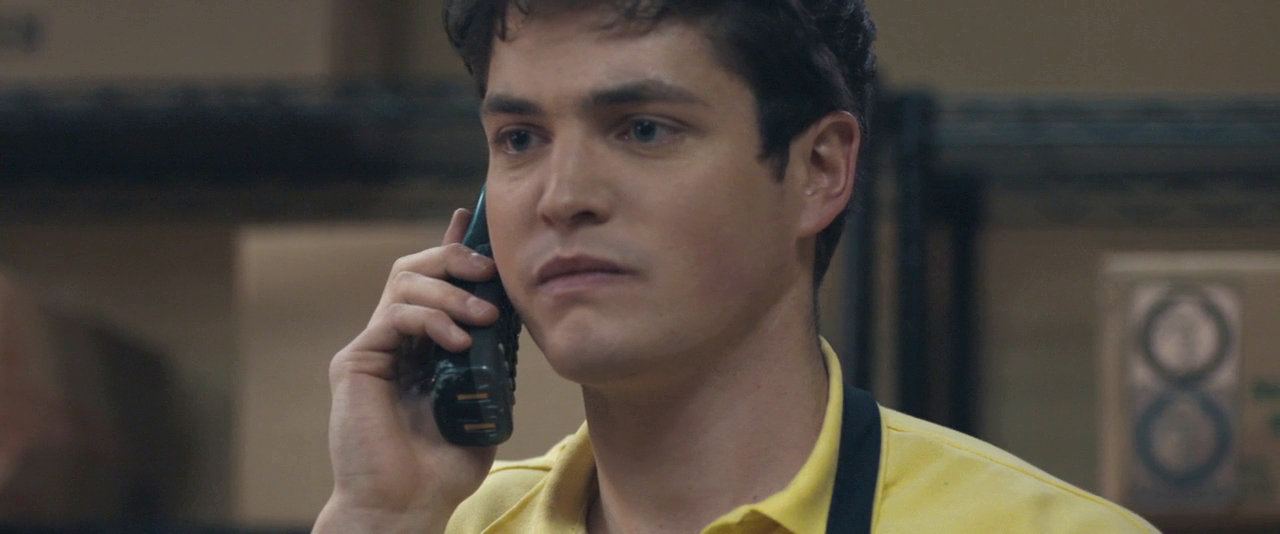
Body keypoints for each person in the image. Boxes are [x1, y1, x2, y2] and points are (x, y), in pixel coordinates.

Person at [315, 1, 1158, 532]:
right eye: (521, 140)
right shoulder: (444, 525)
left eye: (643, 128)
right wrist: (376, 518)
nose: (560, 196)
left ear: (819, 171)